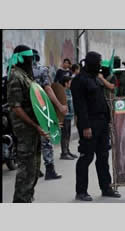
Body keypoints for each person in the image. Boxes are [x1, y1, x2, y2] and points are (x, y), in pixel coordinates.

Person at [71, 51, 121, 201]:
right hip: (89, 124)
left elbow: (102, 99)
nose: (100, 66)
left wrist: (109, 119)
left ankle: (106, 187)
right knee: (86, 157)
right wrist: (85, 127)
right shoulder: (79, 80)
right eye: (98, 63)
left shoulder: (96, 78)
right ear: (92, 63)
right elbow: (80, 106)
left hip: (102, 123)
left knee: (103, 156)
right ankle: (81, 191)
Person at [7, 45, 49, 202]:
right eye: (29, 58)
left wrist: (46, 120)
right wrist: (35, 125)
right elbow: (16, 107)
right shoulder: (15, 76)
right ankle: (20, 201)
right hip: (25, 130)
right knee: (26, 169)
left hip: (33, 129)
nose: (31, 61)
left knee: (34, 168)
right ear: (21, 58)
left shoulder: (25, 75)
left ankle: (28, 198)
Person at [32, 49, 64, 178]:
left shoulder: (17, 70)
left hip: (25, 112)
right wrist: (59, 105)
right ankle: (49, 170)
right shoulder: (41, 70)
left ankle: (34, 169)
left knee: (31, 141)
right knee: (46, 139)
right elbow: (48, 88)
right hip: (41, 109)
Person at [60, 76, 78, 159]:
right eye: (70, 82)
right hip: (64, 117)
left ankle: (67, 150)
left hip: (69, 116)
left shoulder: (69, 91)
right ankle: (64, 153)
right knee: (64, 135)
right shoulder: (62, 92)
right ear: (66, 83)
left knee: (68, 135)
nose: (71, 84)